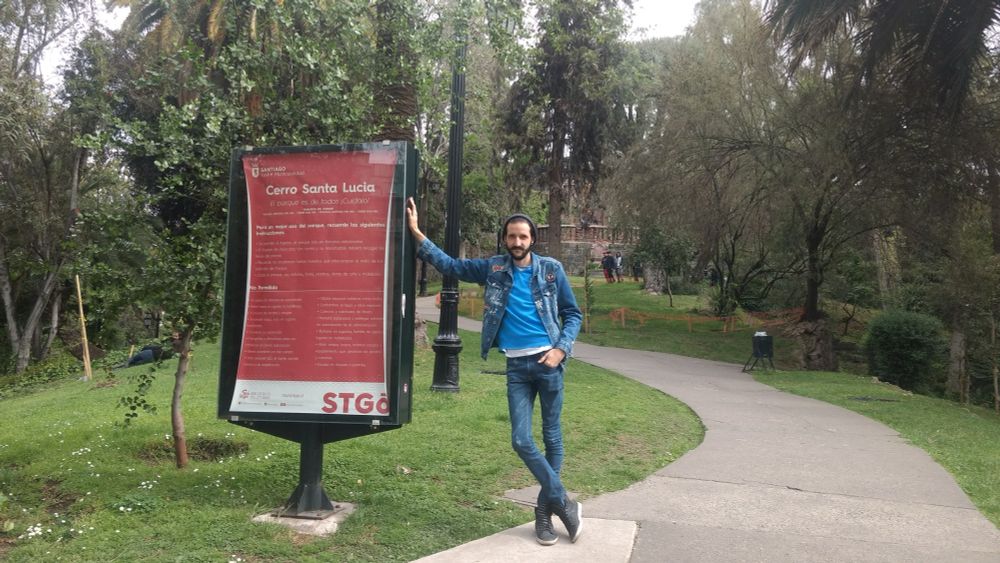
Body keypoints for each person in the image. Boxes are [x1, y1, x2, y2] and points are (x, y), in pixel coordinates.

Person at [406, 198, 584, 546]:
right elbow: (452, 265)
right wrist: (416, 233)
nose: (517, 243)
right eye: (511, 237)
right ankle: (563, 500)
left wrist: (561, 349)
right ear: (504, 239)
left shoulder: (551, 270)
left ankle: (544, 514)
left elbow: (572, 314)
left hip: (548, 365)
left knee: (552, 438)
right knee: (521, 440)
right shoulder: (494, 269)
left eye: (523, 237)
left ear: (533, 239)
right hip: (516, 367)